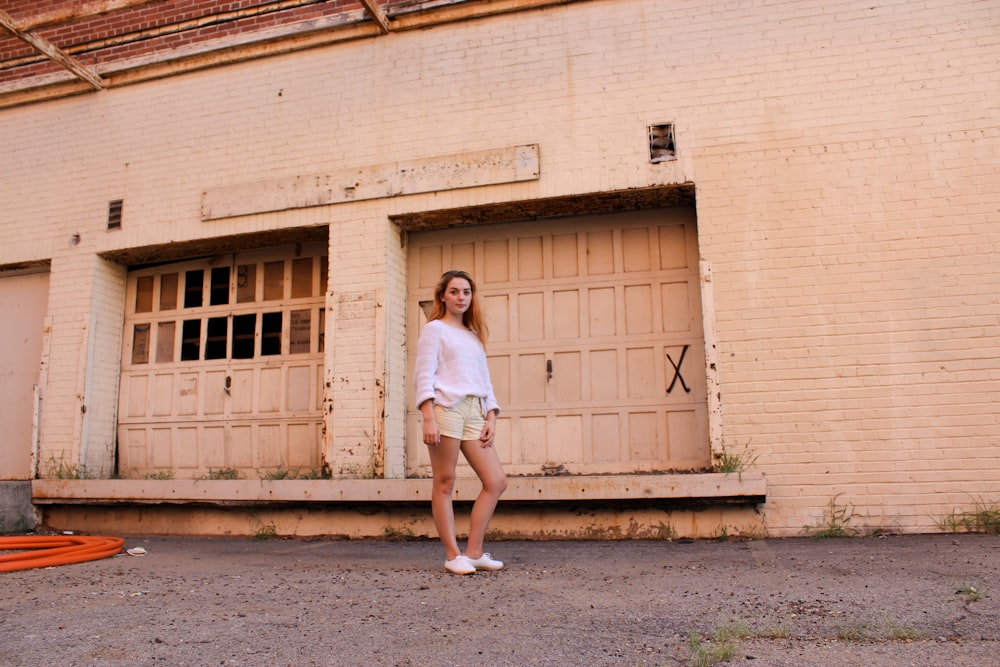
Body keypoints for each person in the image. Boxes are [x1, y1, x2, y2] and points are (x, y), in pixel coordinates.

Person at [414, 269, 508, 575]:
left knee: (495, 481)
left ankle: (475, 552)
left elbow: (485, 380)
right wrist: (428, 416)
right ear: (442, 295)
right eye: (454, 291)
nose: (461, 297)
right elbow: (424, 374)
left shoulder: (474, 335)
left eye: (466, 292)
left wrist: (491, 415)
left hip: (473, 410)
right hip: (446, 409)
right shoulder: (434, 330)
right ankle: (453, 555)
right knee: (445, 481)